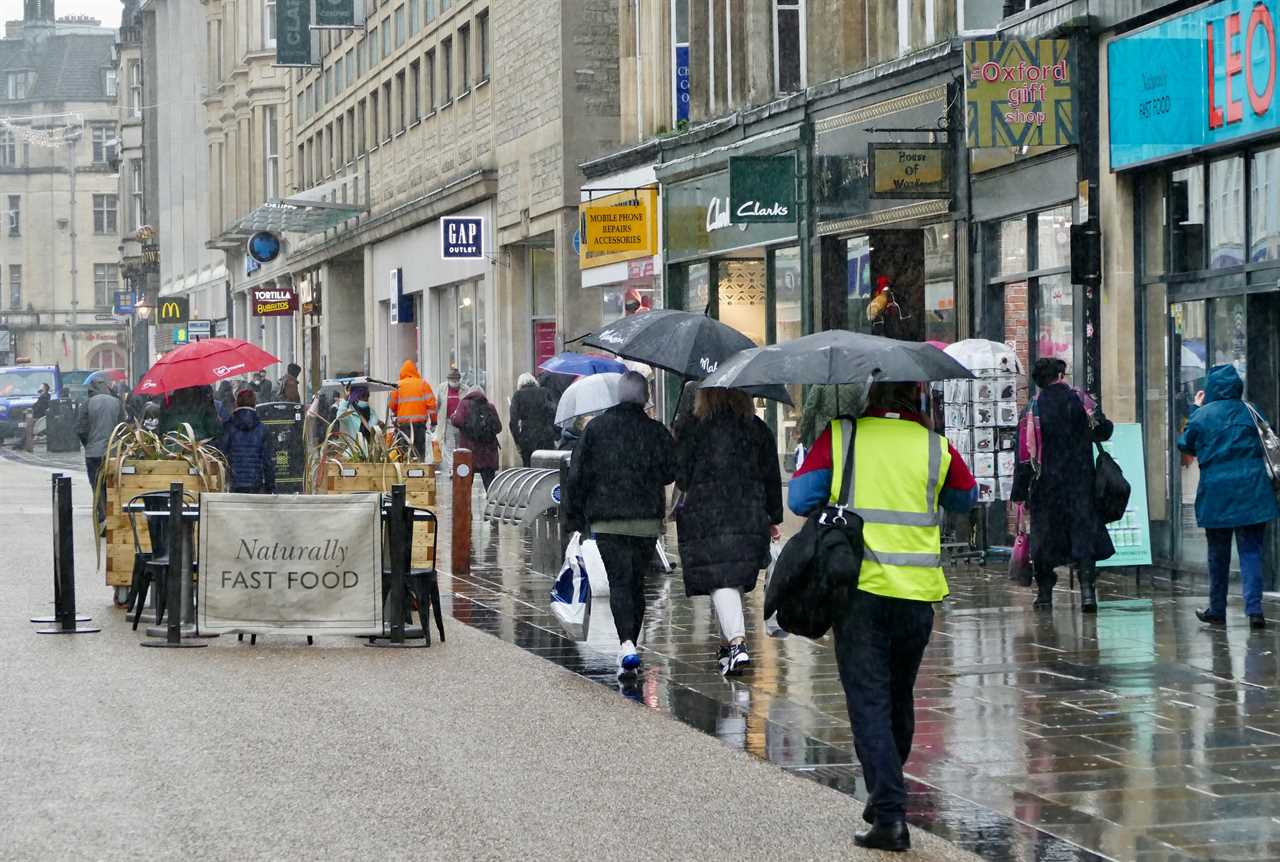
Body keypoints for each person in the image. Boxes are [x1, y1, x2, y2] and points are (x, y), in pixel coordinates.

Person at [788, 380, 977, 852]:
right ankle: (884, 792)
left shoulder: (843, 436)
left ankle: (890, 813)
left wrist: (840, 493)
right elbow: (965, 499)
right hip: (917, 597)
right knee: (898, 698)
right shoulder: (936, 446)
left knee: (868, 702)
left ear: (870, 397)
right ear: (917, 399)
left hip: (860, 592)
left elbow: (800, 499)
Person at [564, 371, 676, 678]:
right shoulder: (655, 431)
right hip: (645, 522)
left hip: (607, 521)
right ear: (645, 398)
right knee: (636, 582)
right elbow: (670, 473)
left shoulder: (596, 429)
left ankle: (627, 644)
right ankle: (630, 644)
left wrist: (574, 518)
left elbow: (577, 476)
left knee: (619, 582)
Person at [674, 387, 783, 676]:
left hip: (707, 513)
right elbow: (772, 475)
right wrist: (774, 516)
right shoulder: (757, 429)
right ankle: (726, 648)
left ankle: (737, 644)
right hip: (749, 511)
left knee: (721, 576)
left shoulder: (694, 427)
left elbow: (681, 476)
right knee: (730, 577)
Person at [1177, 364, 1278, 630]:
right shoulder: (1250, 410)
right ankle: (1254, 610)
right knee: (1251, 552)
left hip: (1217, 492)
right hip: (1252, 489)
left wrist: (1196, 409)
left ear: (1210, 387)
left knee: (1217, 554)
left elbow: (1185, 444)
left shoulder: (1203, 416)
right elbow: (1267, 440)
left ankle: (1217, 609)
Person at [1013, 358, 1114, 613]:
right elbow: (1105, 430)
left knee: (1045, 541)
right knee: (1083, 538)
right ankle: (1088, 593)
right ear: (1059, 375)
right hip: (1080, 484)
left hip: (1046, 487)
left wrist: (1019, 493)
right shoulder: (1081, 402)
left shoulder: (1032, 410)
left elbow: (1024, 457)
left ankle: (1045, 595)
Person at [76, 378, 125, 527]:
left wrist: (89, 444)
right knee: (112, 484)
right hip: (113, 453)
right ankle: (113, 515)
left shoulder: (87, 404)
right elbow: (122, 428)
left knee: (96, 485)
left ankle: (103, 516)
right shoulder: (117, 403)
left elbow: (80, 429)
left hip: (93, 454)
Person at [220, 389, 276, 493]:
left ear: (237, 403)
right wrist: (270, 486)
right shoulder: (263, 429)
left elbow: (222, 454)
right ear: (255, 403)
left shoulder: (228, 427)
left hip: (233, 484)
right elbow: (268, 461)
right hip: (256, 484)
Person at [450, 387, 502, 490]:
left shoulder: (464, 404)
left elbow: (458, 421)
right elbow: (498, 427)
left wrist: (452, 417)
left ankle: (464, 504)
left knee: (465, 485)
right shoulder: (489, 406)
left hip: (469, 451)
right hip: (487, 454)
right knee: (490, 484)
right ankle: (492, 502)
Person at [388, 360, 437, 461]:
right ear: (415, 371)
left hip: (404, 426)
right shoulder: (423, 384)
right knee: (419, 451)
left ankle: (406, 473)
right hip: (419, 425)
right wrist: (434, 422)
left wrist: (398, 412)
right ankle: (419, 472)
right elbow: (432, 406)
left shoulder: (397, 385)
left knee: (405, 451)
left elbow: (392, 405)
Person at [508, 373, 557, 467]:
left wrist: (517, 441)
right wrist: (554, 433)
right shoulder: (544, 392)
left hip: (527, 437)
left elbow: (513, 422)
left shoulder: (518, 395)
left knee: (529, 468)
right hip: (545, 435)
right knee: (546, 467)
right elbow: (553, 413)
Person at [434, 366, 464, 465]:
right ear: (448, 379)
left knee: (461, 446)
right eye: (452, 379)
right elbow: (437, 405)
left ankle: (460, 465)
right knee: (449, 446)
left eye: (456, 379)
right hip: (448, 422)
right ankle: (452, 467)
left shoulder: (465, 389)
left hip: (461, 423)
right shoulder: (442, 388)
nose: (455, 381)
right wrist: (434, 421)